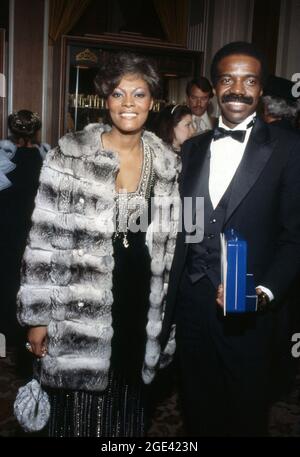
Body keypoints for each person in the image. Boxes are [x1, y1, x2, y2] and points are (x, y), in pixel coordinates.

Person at [17, 52, 180, 437]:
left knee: (128, 407)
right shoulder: (69, 154)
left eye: (138, 94)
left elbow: (174, 244)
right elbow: (41, 240)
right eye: (118, 94)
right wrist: (37, 318)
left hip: (140, 303)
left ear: (152, 101)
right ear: (105, 99)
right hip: (78, 305)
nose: (128, 104)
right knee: (78, 415)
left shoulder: (168, 163)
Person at [160, 41, 300, 436]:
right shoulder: (191, 148)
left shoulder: (290, 149)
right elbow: (181, 225)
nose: (237, 89)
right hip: (190, 303)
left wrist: (265, 292)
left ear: (261, 90)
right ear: (216, 87)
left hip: (251, 312)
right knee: (197, 406)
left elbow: (295, 238)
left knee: (245, 413)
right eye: (227, 79)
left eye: (249, 80)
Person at [0, 110, 47, 347]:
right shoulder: (45, 159)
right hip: (35, 231)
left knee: (9, 282)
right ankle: (25, 333)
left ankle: (8, 333)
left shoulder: (3, 160)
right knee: (30, 283)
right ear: (35, 131)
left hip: (8, 231)